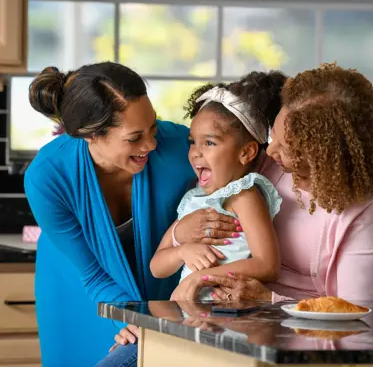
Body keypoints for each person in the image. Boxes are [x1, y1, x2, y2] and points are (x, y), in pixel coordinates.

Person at [24, 62, 239, 367]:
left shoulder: (179, 147)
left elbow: (241, 180)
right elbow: (92, 274)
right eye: (134, 137)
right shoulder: (47, 177)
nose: (151, 144)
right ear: (90, 135)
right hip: (78, 287)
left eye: (154, 126)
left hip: (158, 282)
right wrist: (128, 318)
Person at [170, 63, 373, 304]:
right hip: (231, 315)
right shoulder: (264, 165)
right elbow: (212, 142)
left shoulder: (366, 210)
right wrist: (178, 234)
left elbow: (357, 312)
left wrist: (271, 299)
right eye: (272, 136)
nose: (270, 150)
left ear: (323, 157)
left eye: (287, 149)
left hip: (307, 333)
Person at [149, 82, 284, 301]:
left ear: (246, 152)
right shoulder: (195, 199)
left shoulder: (244, 195)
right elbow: (157, 267)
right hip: (190, 313)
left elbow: (267, 265)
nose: (195, 153)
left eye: (209, 143)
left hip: (228, 315)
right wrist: (182, 251)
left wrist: (201, 277)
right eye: (192, 142)